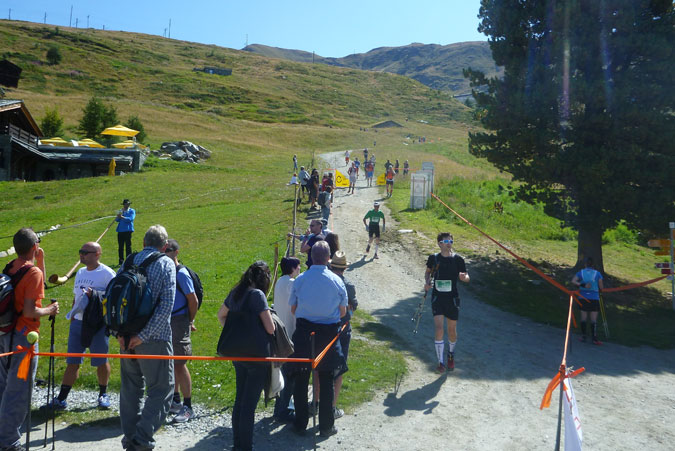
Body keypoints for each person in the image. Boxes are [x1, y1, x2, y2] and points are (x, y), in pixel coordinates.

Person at [0, 228, 59, 451]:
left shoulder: (11, 266)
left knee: (3, 386)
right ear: (34, 246)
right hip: (24, 342)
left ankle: (3, 435)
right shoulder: (32, 273)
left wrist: (39, 260)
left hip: (5, 334)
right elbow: (30, 310)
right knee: (19, 390)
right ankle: (9, 442)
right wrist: (50, 310)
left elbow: (35, 284)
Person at [119, 225, 176, 451]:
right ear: (165, 246)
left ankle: (130, 438)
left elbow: (114, 297)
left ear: (143, 243)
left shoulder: (128, 261)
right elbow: (166, 305)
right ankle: (141, 440)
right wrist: (143, 336)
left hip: (125, 338)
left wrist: (120, 334)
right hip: (155, 338)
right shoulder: (165, 263)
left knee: (130, 390)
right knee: (162, 389)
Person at [46, 242, 115, 411]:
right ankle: (61, 399)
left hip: (97, 324)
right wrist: (73, 316)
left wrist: (95, 295)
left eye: (85, 252)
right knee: (73, 361)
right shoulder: (81, 272)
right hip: (78, 322)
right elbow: (76, 297)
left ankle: (103, 394)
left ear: (97, 254)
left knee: (100, 360)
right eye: (80, 251)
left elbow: (114, 297)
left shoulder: (107, 274)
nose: (81, 255)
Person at [288, 242, 347, 437]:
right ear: (329, 258)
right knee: (327, 378)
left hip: (304, 331)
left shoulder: (300, 280)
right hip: (328, 333)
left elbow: (293, 309)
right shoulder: (337, 281)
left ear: (312, 257)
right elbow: (343, 312)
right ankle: (326, 426)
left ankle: (300, 423)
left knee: (301, 377)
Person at [217, 261, 275, 451]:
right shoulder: (257, 295)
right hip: (256, 356)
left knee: (240, 400)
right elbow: (270, 328)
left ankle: (238, 445)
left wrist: (236, 331)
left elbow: (221, 315)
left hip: (237, 354)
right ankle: (246, 447)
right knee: (249, 405)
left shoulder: (236, 292)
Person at [424, 233, 470, 373]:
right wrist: (427, 282)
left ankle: (450, 354)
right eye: (446, 241)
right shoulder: (433, 258)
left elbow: (467, 276)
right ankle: (441, 362)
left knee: (451, 330)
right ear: (439, 243)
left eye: (451, 241)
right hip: (437, 297)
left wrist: (464, 278)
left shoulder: (458, 259)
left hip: (452, 298)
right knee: (439, 329)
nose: (449, 243)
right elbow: (427, 272)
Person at [164, 239, 199, 423]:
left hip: (179, 321)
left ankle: (188, 406)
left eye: (168, 250)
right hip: (167, 320)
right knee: (171, 362)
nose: (165, 253)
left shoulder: (181, 273)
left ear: (176, 252)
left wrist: (189, 320)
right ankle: (175, 400)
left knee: (179, 363)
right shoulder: (166, 271)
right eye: (163, 250)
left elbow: (193, 300)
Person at [329, 251, 357, 419]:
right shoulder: (348, 285)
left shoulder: (326, 282)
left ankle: (316, 402)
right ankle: (332, 407)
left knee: (320, 367)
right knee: (339, 368)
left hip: (325, 327)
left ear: (331, 265)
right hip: (343, 329)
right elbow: (353, 306)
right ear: (345, 268)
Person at [272, 257, 301, 423]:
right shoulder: (292, 283)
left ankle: (280, 407)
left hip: (279, 332)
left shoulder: (279, 282)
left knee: (282, 372)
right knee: (289, 374)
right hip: (290, 332)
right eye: (298, 267)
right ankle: (284, 409)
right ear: (293, 268)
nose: (299, 269)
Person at [572, 257, 605, 345]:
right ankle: (594, 338)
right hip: (594, 298)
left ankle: (583, 336)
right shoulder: (597, 274)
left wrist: (583, 285)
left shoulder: (581, 272)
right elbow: (601, 287)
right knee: (593, 319)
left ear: (585, 264)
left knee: (583, 317)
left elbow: (573, 281)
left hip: (583, 297)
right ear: (593, 265)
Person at [116, 199, 136, 266]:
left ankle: (128, 260)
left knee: (128, 246)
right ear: (124, 204)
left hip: (128, 230)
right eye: (126, 204)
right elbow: (117, 220)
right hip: (120, 230)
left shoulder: (132, 211)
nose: (127, 205)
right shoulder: (121, 211)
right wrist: (118, 216)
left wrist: (122, 217)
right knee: (120, 246)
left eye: (128, 204)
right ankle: (121, 261)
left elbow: (130, 219)